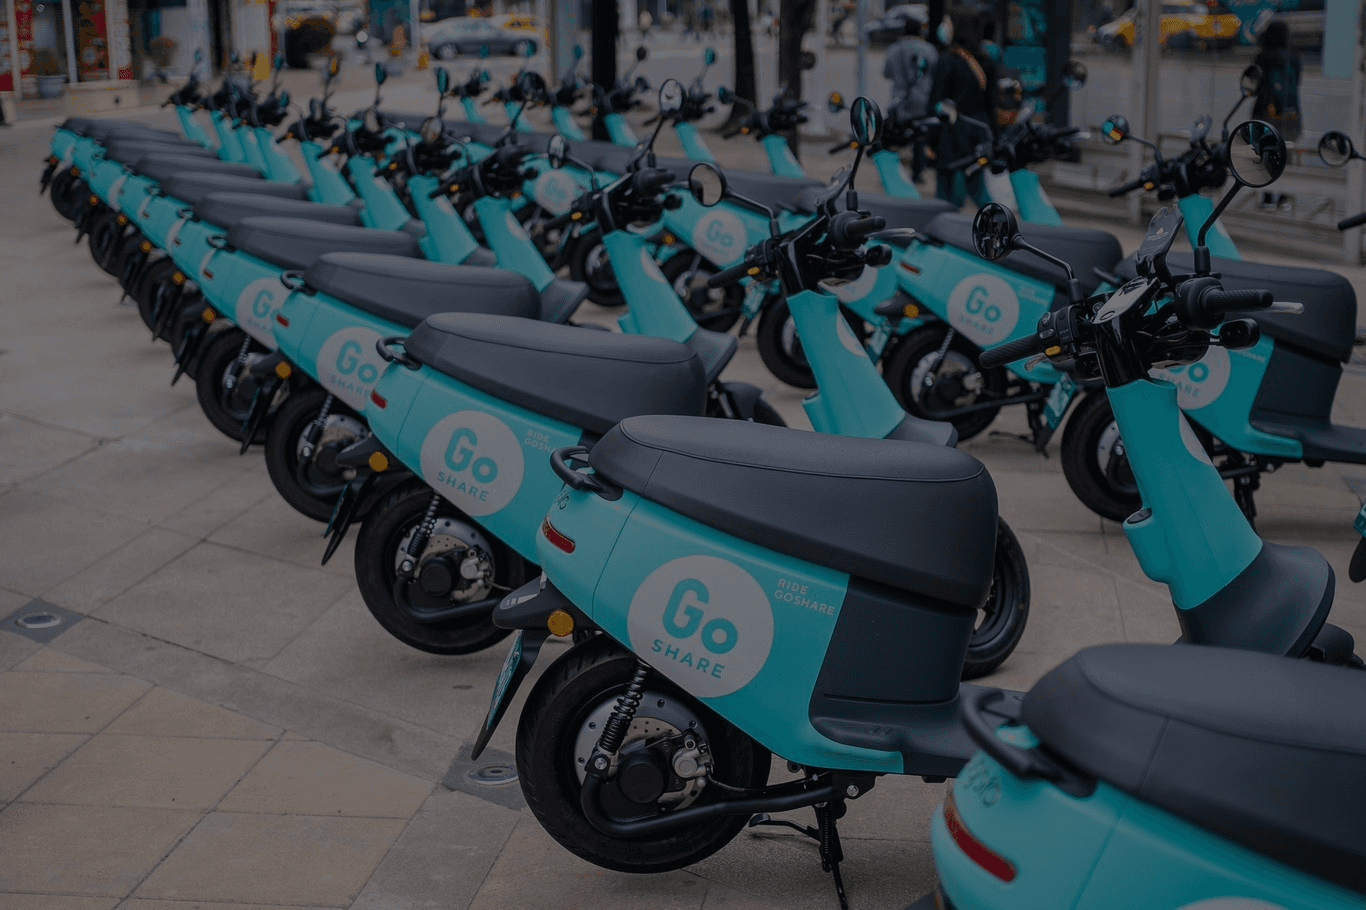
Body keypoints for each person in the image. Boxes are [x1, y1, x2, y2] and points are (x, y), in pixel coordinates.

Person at [930, 7, 996, 205]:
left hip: (950, 133)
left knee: (945, 194)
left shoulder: (947, 61)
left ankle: (943, 233)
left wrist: (929, 139)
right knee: (978, 190)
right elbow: (990, 104)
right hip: (978, 133)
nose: (945, 28)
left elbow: (935, 103)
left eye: (948, 24)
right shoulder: (985, 61)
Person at [1252, 19, 1301, 208]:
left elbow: (1255, 87)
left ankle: (1267, 198)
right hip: (1291, 113)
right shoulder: (1295, 56)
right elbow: (1296, 83)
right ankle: (1285, 197)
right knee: (1285, 154)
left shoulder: (1263, 57)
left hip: (1266, 113)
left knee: (1264, 152)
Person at [884, 15, 938, 182]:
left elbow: (886, 73)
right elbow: (935, 73)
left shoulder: (894, 49)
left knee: (893, 136)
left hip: (900, 99)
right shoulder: (929, 49)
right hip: (922, 99)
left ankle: (892, 172)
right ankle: (917, 172)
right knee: (919, 137)